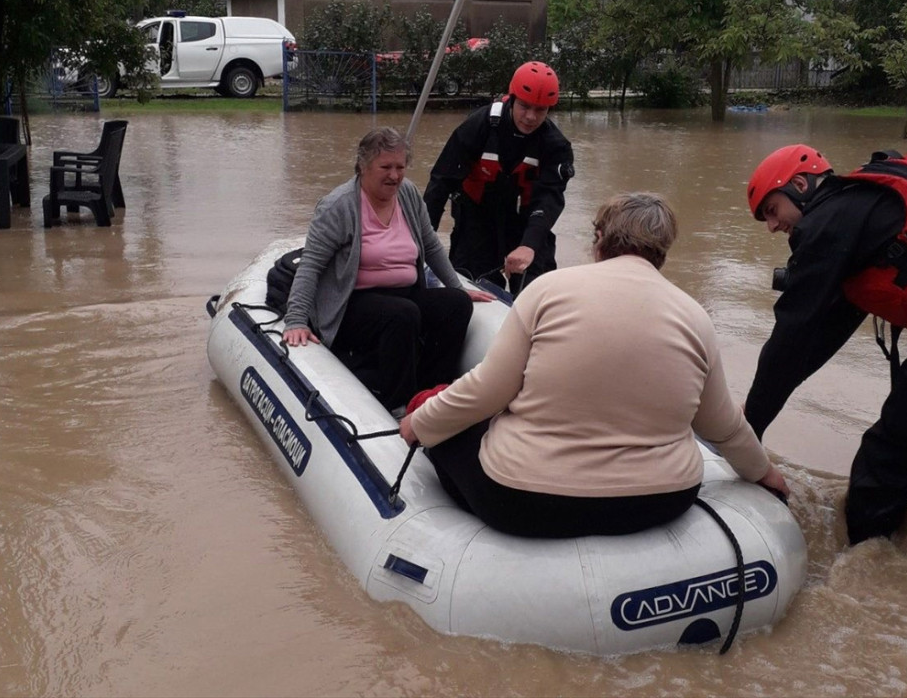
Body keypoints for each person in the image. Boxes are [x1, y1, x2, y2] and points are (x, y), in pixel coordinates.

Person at [399, 192, 790, 538]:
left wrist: (421, 423)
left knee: (449, 433)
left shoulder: (548, 291)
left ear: (599, 240)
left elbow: (486, 393)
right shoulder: (694, 317)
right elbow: (722, 425)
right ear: (663, 251)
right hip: (660, 500)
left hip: (524, 500)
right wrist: (764, 473)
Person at [744, 144, 907, 556]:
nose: (771, 226)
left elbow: (791, 337)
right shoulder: (864, 212)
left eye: (772, 210)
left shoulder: (826, 222)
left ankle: (865, 572)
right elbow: (820, 338)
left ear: (799, 184)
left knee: (884, 462)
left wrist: (747, 430)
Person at [283, 127, 494, 413]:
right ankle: (398, 403)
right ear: (363, 166)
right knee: (402, 315)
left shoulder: (406, 193)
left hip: (405, 292)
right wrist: (296, 319)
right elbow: (311, 266)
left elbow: (430, 245)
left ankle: (434, 391)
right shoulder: (338, 206)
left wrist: (458, 287)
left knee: (454, 305)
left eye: (400, 167)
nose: (394, 175)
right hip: (353, 303)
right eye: (385, 167)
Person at [423, 61, 575, 292]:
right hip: (476, 219)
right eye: (525, 106)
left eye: (540, 109)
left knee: (539, 287)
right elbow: (441, 182)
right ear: (512, 98)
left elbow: (549, 199)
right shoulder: (479, 126)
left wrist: (529, 245)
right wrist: (422, 236)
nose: (531, 117)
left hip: (526, 223)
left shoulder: (556, 146)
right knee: (470, 284)